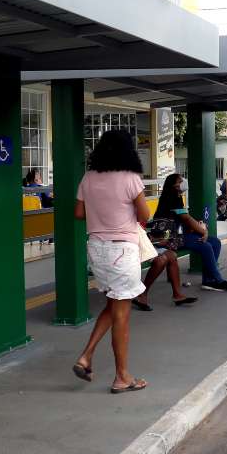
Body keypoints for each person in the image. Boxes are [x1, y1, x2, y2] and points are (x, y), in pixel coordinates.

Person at [72, 130, 153, 393]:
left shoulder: (88, 177)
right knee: (122, 315)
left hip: (97, 249)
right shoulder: (130, 179)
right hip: (122, 251)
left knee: (114, 303)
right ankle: (122, 377)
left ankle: (86, 356)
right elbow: (145, 215)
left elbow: (78, 213)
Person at [142, 174, 227, 302]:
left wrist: (200, 228)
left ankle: (208, 279)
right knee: (206, 245)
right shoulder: (172, 197)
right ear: (174, 185)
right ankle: (217, 279)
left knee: (215, 242)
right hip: (171, 239)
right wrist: (203, 231)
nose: (183, 182)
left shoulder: (177, 197)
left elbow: (184, 219)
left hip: (178, 235)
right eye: (180, 181)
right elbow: (186, 218)